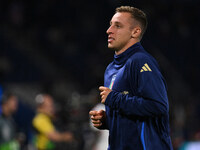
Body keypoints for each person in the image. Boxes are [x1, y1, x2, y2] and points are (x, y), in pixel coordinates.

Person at [89, 6, 173, 150]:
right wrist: (108, 121)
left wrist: (114, 99)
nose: (109, 30)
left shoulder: (140, 61)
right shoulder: (110, 69)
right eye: (110, 25)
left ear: (135, 32)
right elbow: (132, 115)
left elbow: (158, 106)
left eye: (118, 26)